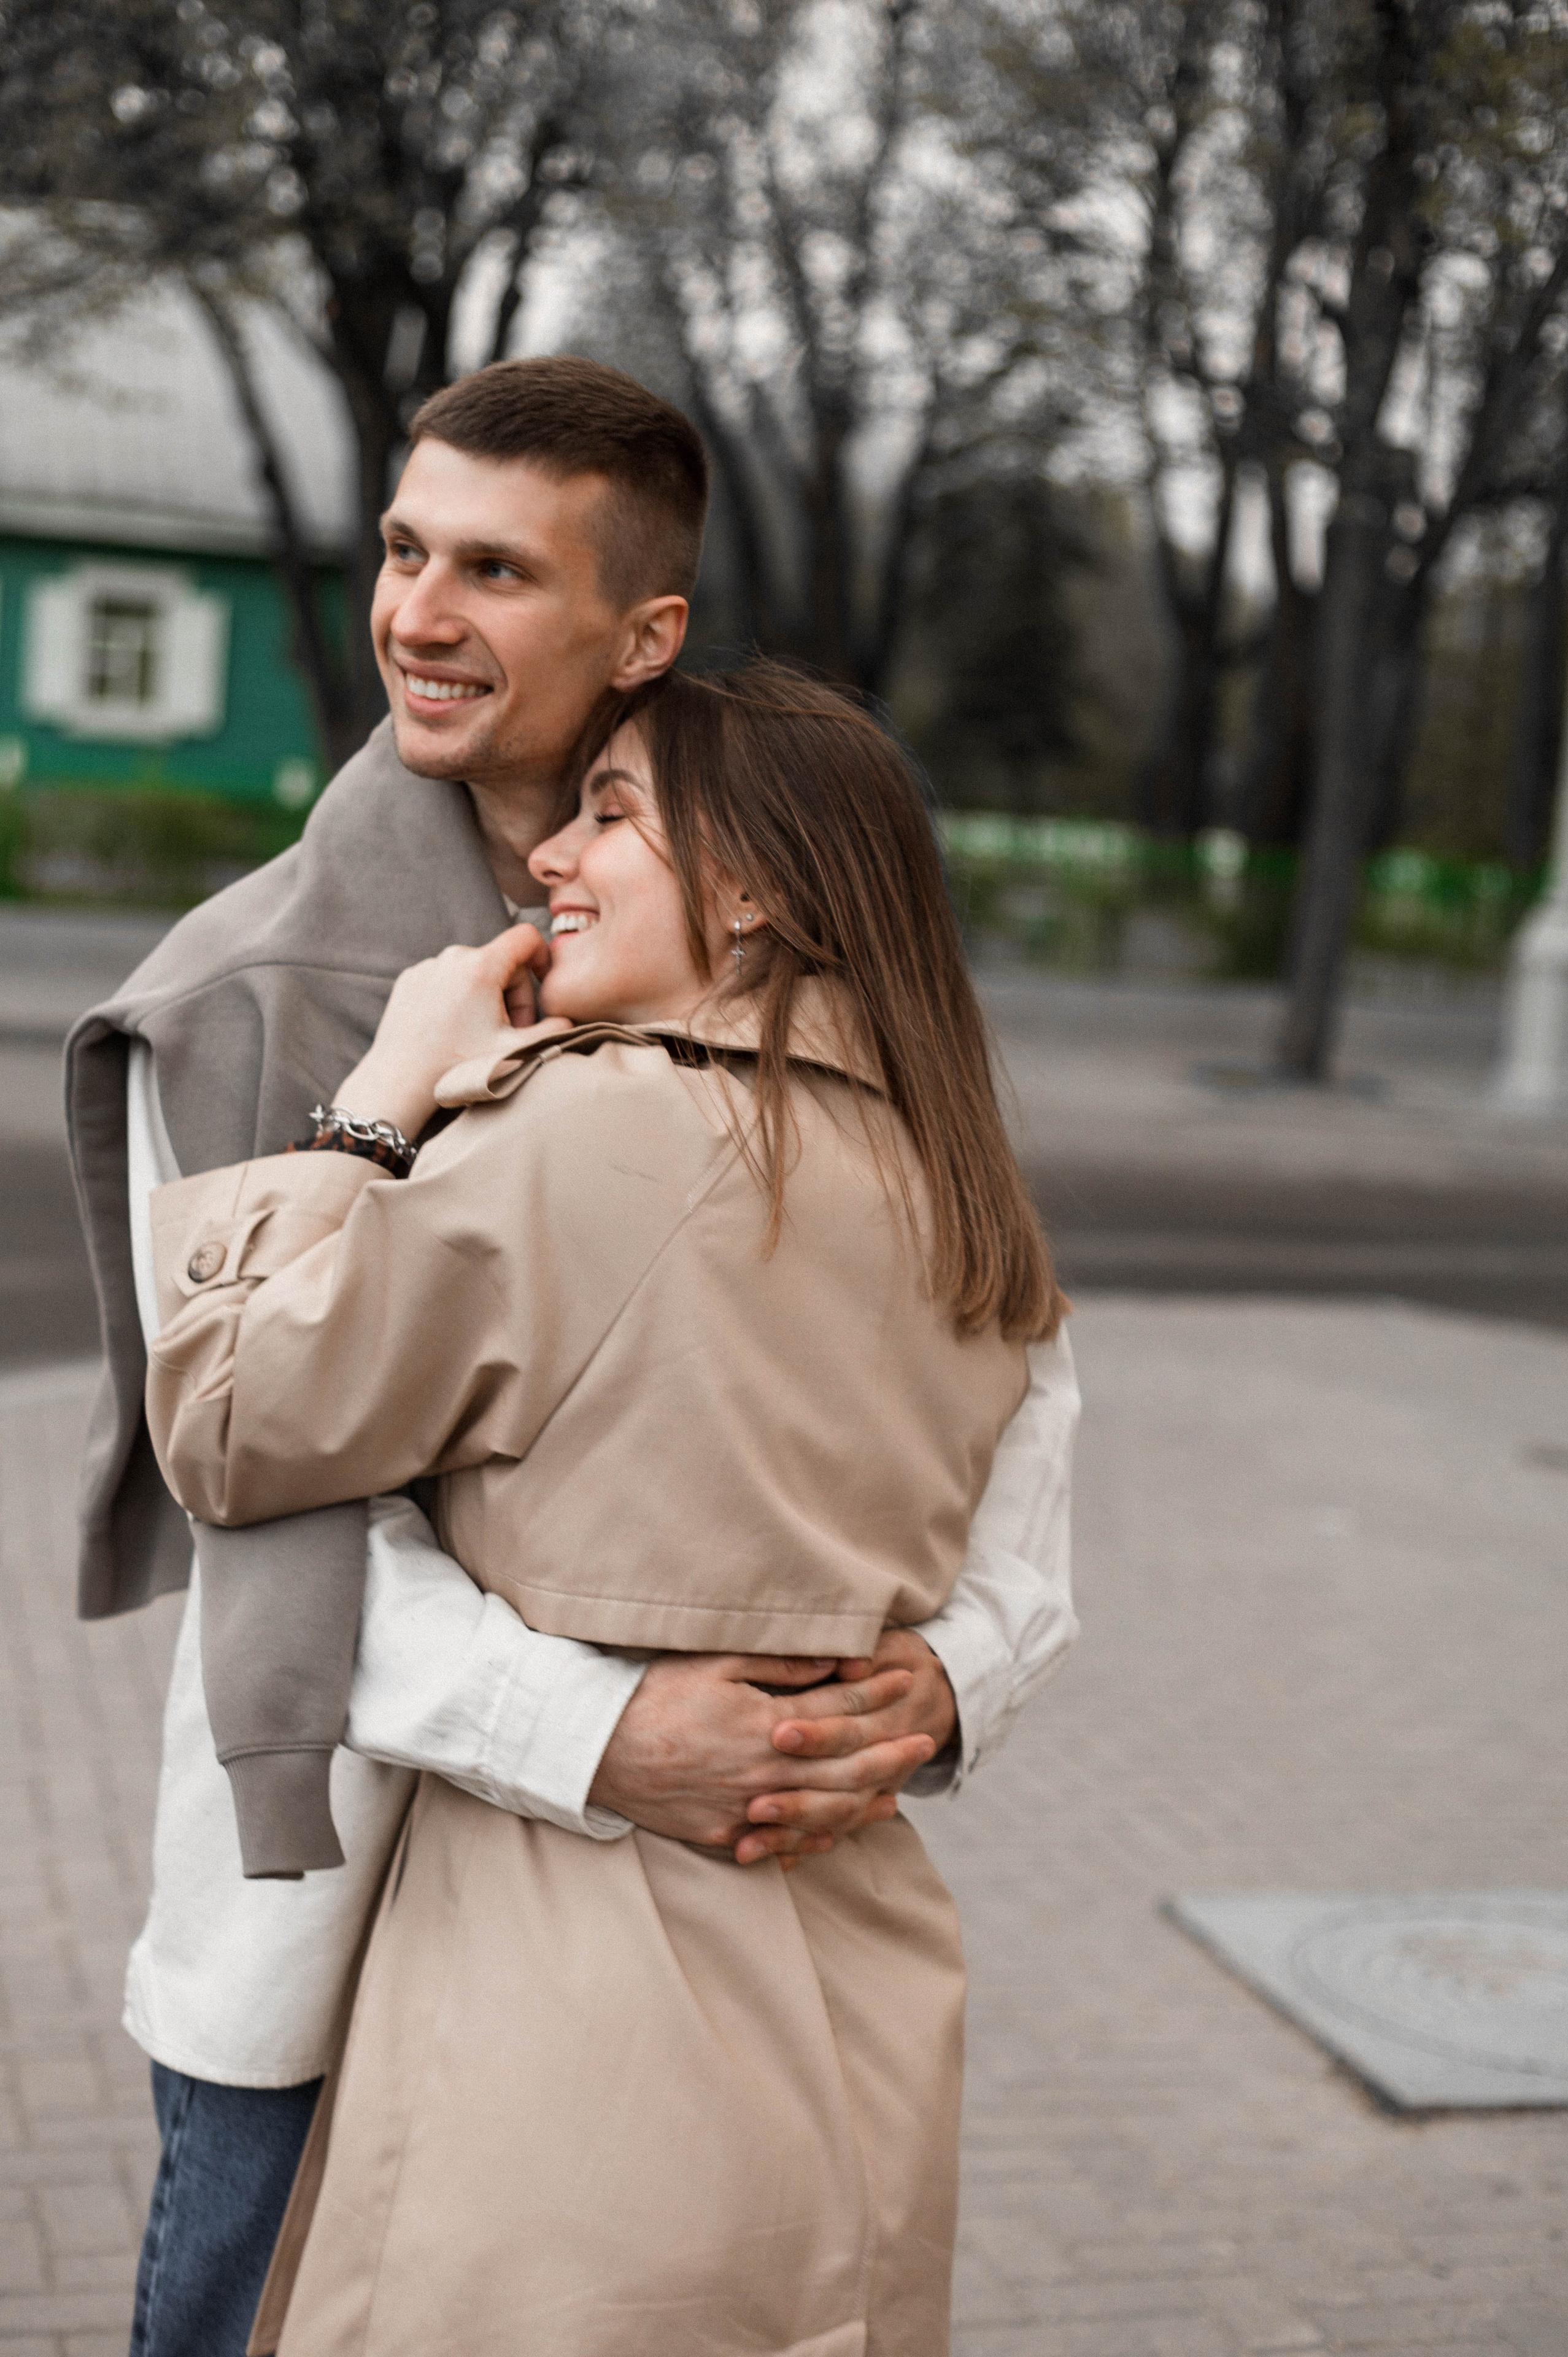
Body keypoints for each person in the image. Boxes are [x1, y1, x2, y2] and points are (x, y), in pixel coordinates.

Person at [64, 358, 1078, 2357]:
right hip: (323, 1911)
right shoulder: (237, 997)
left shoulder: (783, 969)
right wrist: (610, 1733)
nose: (420, 617)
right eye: (405, 550)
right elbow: (265, 1491)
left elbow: (1019, 1405)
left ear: (646, 632)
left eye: (499, 572)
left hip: (671, 1941)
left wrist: (941, 1682)